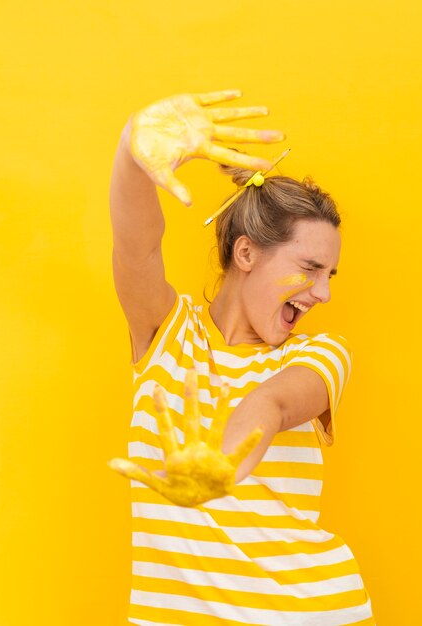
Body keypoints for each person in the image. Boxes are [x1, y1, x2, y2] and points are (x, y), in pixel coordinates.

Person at [108, 90, 376, 625]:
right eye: (309, 267)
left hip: (308, 611)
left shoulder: (320, 354)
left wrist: (222, 467)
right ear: (247, 253)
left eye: (330, 275)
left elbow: (271, 403)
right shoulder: (169, 335)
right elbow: (135, 246)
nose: (323, 293)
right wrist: (131, 151)